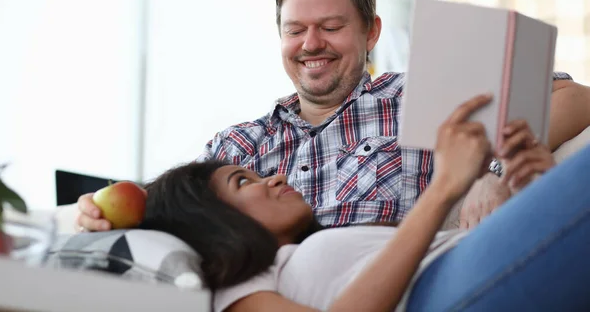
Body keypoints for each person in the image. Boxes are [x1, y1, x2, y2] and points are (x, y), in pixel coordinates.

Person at [75, 0, 590, 232]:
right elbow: (166, 208)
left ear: (371, 33)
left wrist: (494, 174)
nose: (311, 44)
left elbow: (573, 99)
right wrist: (101, 210)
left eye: (331, 26)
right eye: (294, 29)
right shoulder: (237, 146)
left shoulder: (420, 90)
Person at [140, 95, 590, 311]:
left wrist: (534, 187)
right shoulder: (238, 287)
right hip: (455, 291)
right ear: (211, 220)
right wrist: (446, 187)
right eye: (244, 181)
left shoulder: (305, 250)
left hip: (481, 261)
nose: (275, 176)